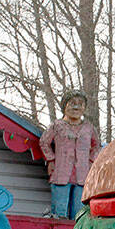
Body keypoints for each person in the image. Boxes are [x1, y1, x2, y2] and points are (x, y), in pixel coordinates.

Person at [39, 91, 100, 219]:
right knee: (59, 213)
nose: (76, 107)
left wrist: (90, 161)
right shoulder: (57, 126)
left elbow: (96, 146)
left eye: (80, 104)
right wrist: (51, 159)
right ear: (64, 106)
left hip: (82, 175)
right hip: (61, 173)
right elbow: (44, 142)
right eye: (72, 104)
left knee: (79, 215)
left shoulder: (89, 128)